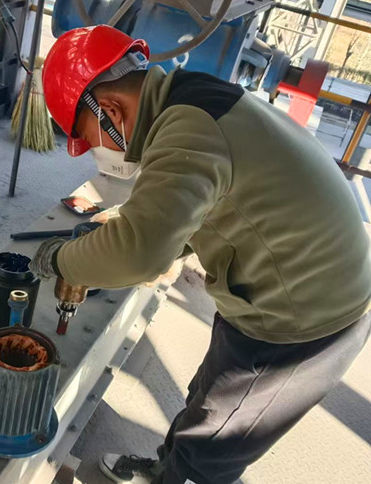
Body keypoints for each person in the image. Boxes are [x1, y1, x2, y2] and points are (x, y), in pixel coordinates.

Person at [28, 25, 371, 484]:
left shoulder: (189, 131)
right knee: (207, 401)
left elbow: (139, 255)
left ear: (109, 110)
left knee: (214, 443)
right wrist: (137, 235)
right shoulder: (189, 98)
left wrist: (61, 259)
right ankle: (165, 470)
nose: (95, 152)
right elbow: (212, 209)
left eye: (89, 140)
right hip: (285, 278)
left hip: (301, 318)